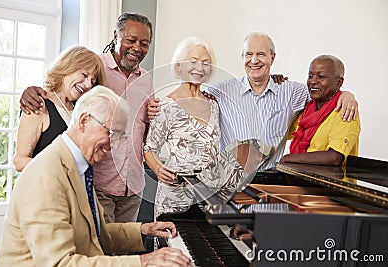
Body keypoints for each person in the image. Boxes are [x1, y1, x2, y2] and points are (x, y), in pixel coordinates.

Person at [0, 86, 192, 267]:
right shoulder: (46, 176)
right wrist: (144, 261)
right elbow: (60, 263)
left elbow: (95, 235)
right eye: (112, 133)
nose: (114, 145)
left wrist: (143, 230)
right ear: (84, 121)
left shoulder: (79, 167)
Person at [149, 32, 359, 171]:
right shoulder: (220, 92)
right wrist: (159, 107)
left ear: (272, 58)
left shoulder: (292, 92)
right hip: (227, 187)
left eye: (261, 54)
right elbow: (191, 103)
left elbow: (322, 93)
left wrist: (347, 95)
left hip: (271, 188)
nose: (255, 60)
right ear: (242, 57)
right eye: (249, 54)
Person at [18, 12, 154, 223]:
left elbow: (144, 127)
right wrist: (29, 91)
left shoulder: (146, 80)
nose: (137, 48)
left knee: (125, 244)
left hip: (133, 185)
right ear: (116, 36)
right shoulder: (94, 65)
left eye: (144, 43)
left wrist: (155, 115)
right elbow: (59, 84)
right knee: (98, 247)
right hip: (98, 183)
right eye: (131, 40)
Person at [143, 37, 228, 219]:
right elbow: (149, 149)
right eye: (193, 61)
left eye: (206, 63)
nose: (200, 68)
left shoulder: (214, 105)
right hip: (174, 195)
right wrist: (158, 170)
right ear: (179, 65)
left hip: (209, 197)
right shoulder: (165, 105)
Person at [13, 46, 106, 172]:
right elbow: (19, 161)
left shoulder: (79, 111)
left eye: (92, 81)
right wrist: (58, 167)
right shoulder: (39, 104)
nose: (88, 85)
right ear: (67, 67)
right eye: (84, 75)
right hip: (44, 189)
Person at [280, 55, 360, 165]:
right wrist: (274, 83)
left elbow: (334, 157)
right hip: (299, 179)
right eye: (310, 76)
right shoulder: (306, 110)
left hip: (329, 181)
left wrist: (289, 158)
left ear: (339, 82)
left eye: (321, 77)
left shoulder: (346, 111)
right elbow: (280, 131)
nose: (313, 81)